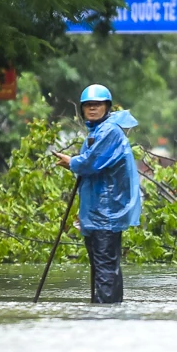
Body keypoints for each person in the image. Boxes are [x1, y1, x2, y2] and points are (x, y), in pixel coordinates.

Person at [55, 84, 142, 303]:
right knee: (101, 267)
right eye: (88, 105)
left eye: (97, 105)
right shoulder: (96, 132)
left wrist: (72, 162)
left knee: (104, 267)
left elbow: (91, 163)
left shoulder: (109, 131)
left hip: (106, 214)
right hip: (95, 214)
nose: (92, 109)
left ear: (107, 107)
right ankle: (104, 308)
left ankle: (106, 313)